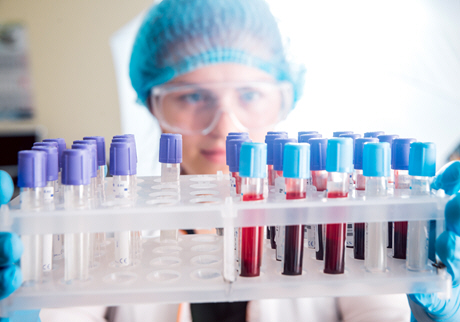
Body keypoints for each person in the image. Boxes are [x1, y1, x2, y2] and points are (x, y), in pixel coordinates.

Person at [1, 0, 460, 321]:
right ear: (151, 103)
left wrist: (426, 309)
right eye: (193, 95)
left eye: (249, 94)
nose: (225, 126)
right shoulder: (108, 221)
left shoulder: (333, 217)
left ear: (284, 99)